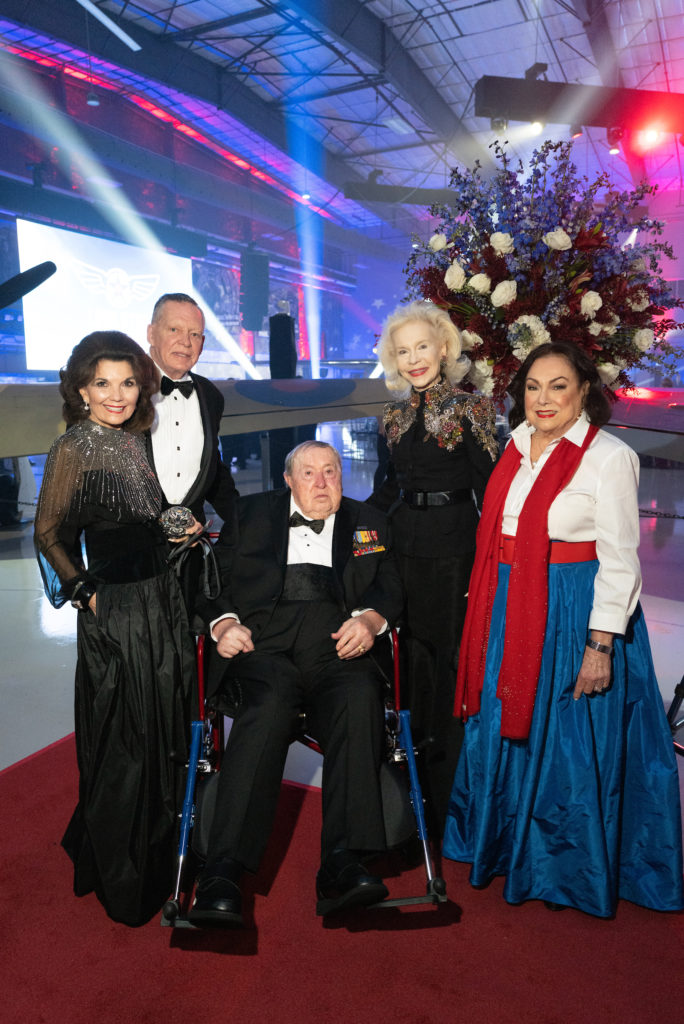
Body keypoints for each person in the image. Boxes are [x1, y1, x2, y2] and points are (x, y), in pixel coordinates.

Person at [443, 341, 683, 917]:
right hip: (510, 604)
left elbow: (622, 559)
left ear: (583, 395)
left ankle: (565, 863)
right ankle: (503, 840)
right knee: (505, 719)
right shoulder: (516, 444)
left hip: (573, 611)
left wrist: (599, 645)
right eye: (533, 386)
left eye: (557, 386)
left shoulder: (609, 456)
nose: (543, 398)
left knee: (568, 737)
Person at [188, 441, 404, 927]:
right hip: (264, 648)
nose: (322, 483)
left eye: (331, 471)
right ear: (289, 480)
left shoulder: (370, 521)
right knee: (265, 709)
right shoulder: (250, 514)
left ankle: (344, 862)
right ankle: (223, 870)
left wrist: (370, 621)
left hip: (337, 646)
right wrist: (223, 625)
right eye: (309, 474)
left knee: (359, 696)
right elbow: (210, 583)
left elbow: (389, 583)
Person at [34, 331, 195, 927]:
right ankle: (124, 869)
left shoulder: (131, 440)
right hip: (118, 608)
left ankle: (160, 850)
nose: (117, 394)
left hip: (159, 602)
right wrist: (85, 592)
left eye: (127, 382)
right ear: (81, 389)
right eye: (103, 382)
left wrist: (177, 525)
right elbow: (48, 533)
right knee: (125, 735)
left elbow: (140, 517)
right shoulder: (73, 447)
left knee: (161, 725)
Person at [369, 300, 499, 835]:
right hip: (402, 551)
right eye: (404, 351)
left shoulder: (474, 410)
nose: (415, 358)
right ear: (393, 361)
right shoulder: (392, 416)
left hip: (455, 553)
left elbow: (490, 491)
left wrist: (489, 567)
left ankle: (448, 805)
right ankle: (403, 797)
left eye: (423, 346)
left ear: (444, 349)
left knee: (448, 666)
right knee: (407, 664)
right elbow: (382, 490)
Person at [146, 292, 237, 610]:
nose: (186, 342)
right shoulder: (122, 391)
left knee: (187, 648)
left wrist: (247, 520)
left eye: (195, 334)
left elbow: (211, 469)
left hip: (191, 556)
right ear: (151, 333)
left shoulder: (211, 395)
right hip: (134, 559)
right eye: (174, 330)